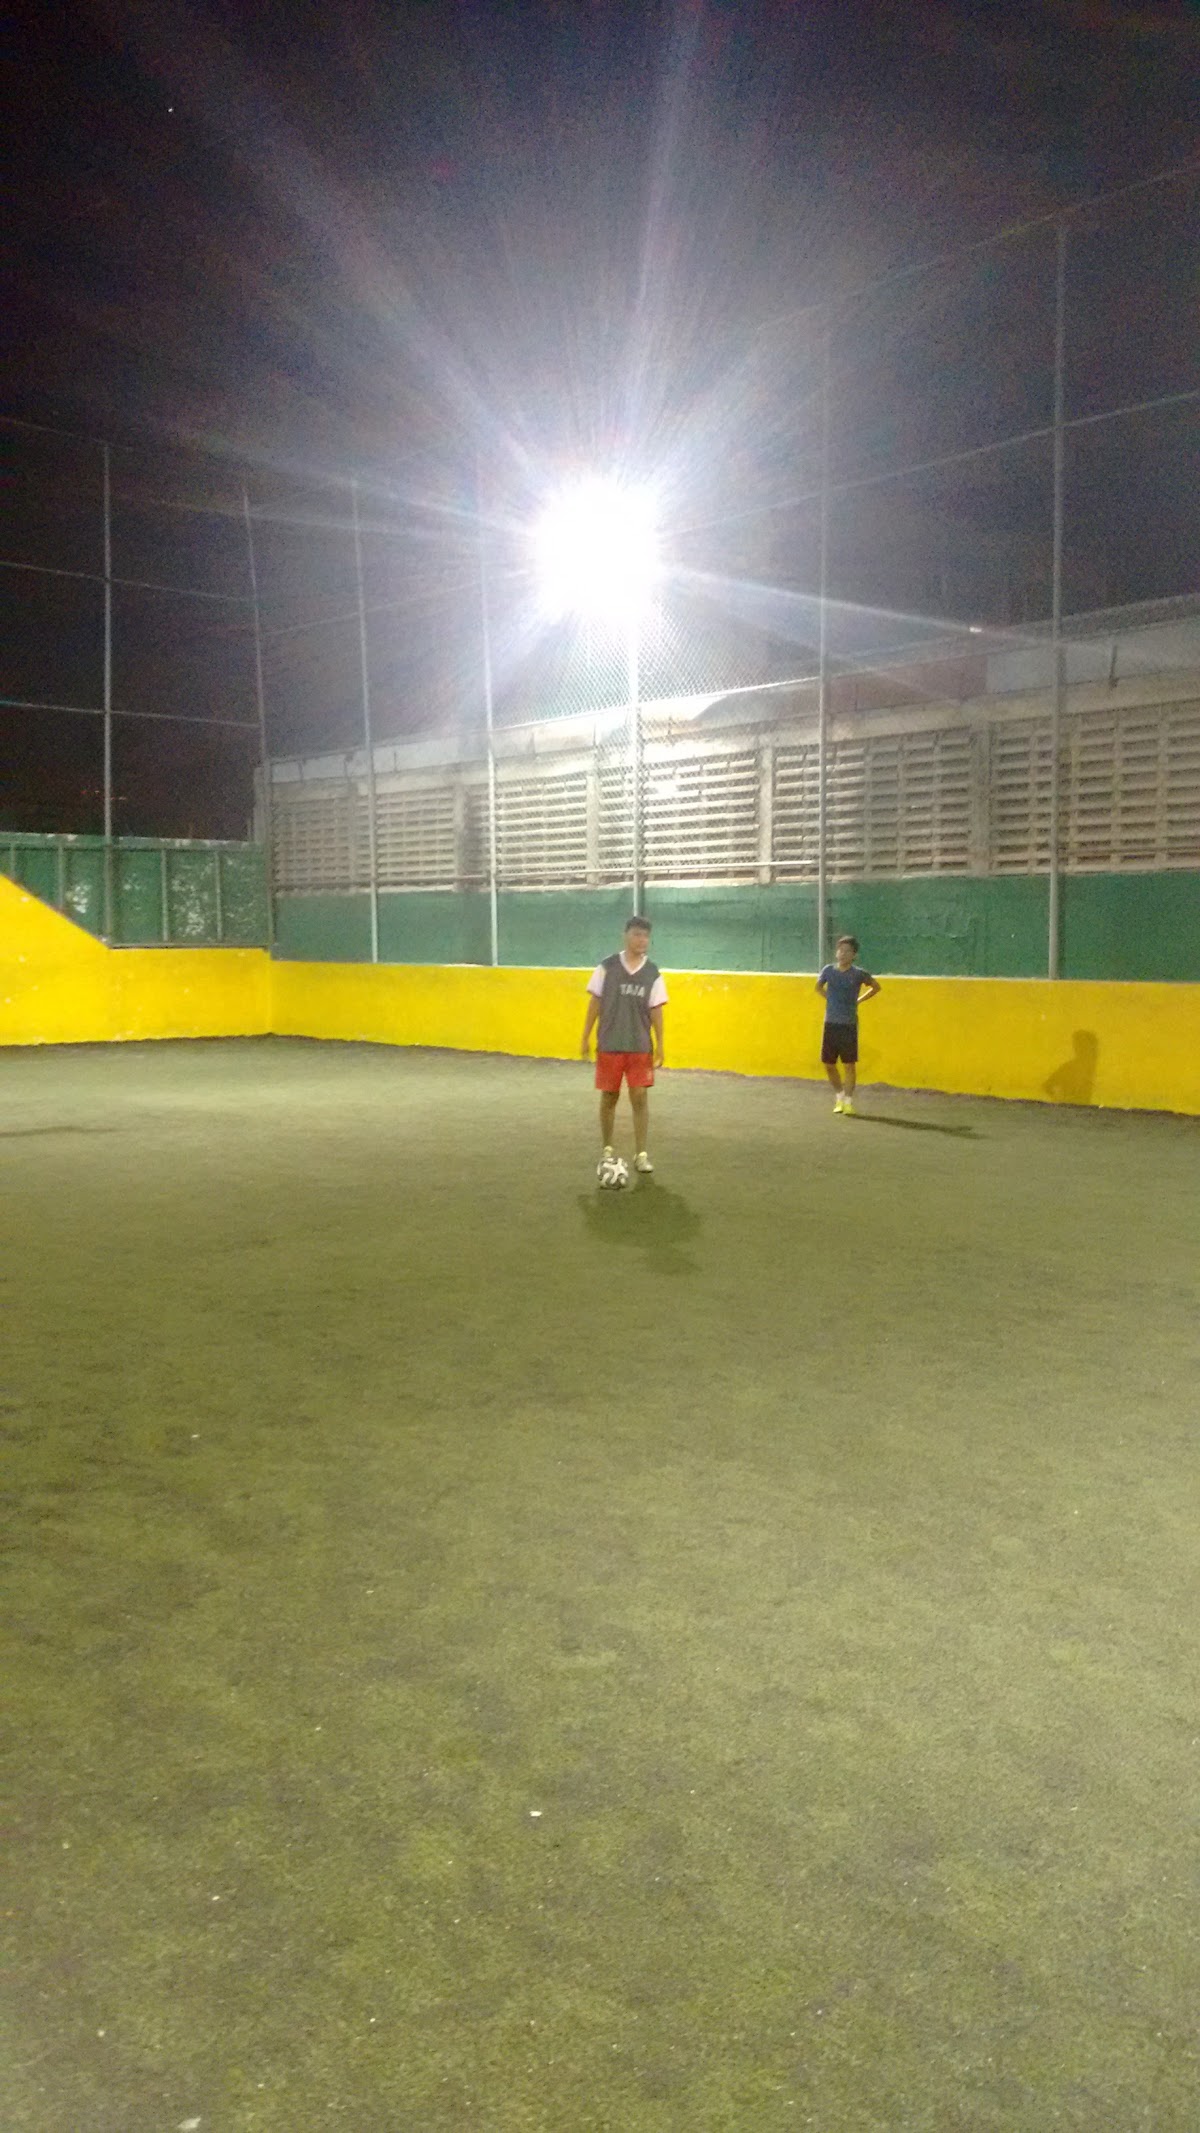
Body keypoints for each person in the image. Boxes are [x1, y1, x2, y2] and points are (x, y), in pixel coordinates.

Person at [581, 915, 667, 1173]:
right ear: (626, 936)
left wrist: (661, 1044)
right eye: (637, 934)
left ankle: (641, 1154)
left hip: (639, 1046)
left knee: (639, 1097)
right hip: (610, 1043)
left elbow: (656, 1011)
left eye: (646, 936)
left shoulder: (653, 973)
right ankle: (607, 1149)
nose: (642, 940)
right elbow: (595, 1003)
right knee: (609, 1096)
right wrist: (585, 1036)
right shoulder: (606, 968)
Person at [816, 934, 880, 1114]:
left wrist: (859, 1000)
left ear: (854, 955)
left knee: (849, 1064)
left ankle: (849, 1102)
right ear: (836, 952)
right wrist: (830, 999)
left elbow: (876, 987)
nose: (843, 954)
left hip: (849, 1025)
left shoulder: (859, 974)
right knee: (829, 1064)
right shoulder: (828, 970)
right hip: (831, 1023)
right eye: (840, 950)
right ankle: (839, 1096)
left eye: (847, 951)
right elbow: (818, 987)